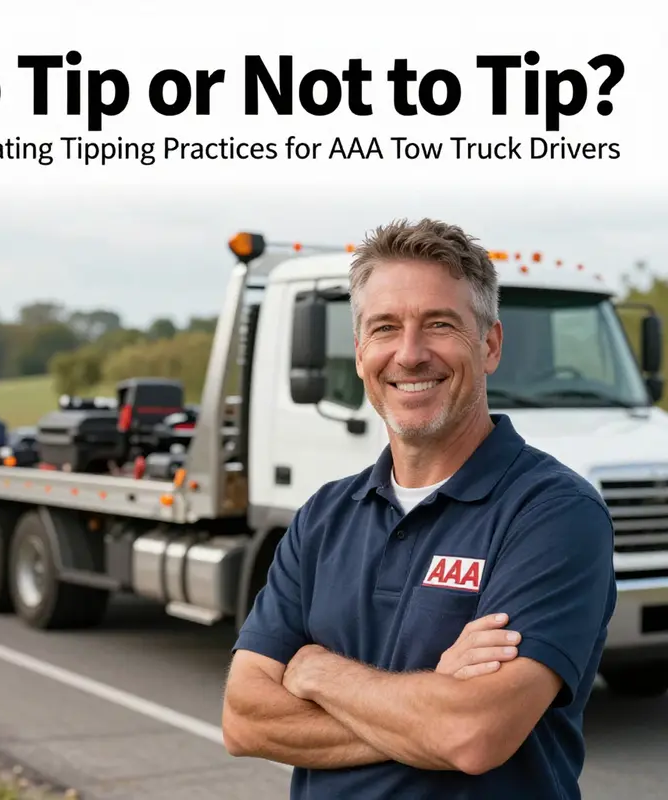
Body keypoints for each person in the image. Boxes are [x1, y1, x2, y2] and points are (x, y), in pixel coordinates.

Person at [221, 218, 617, 799]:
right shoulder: (323, 516)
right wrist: (432, 701)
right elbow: (244, 720)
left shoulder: (554, 514)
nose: (409, 354)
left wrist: (316, 671)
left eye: (439, 324)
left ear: (489, 345)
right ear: (360, 352)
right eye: (385, 327)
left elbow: (472, 734)